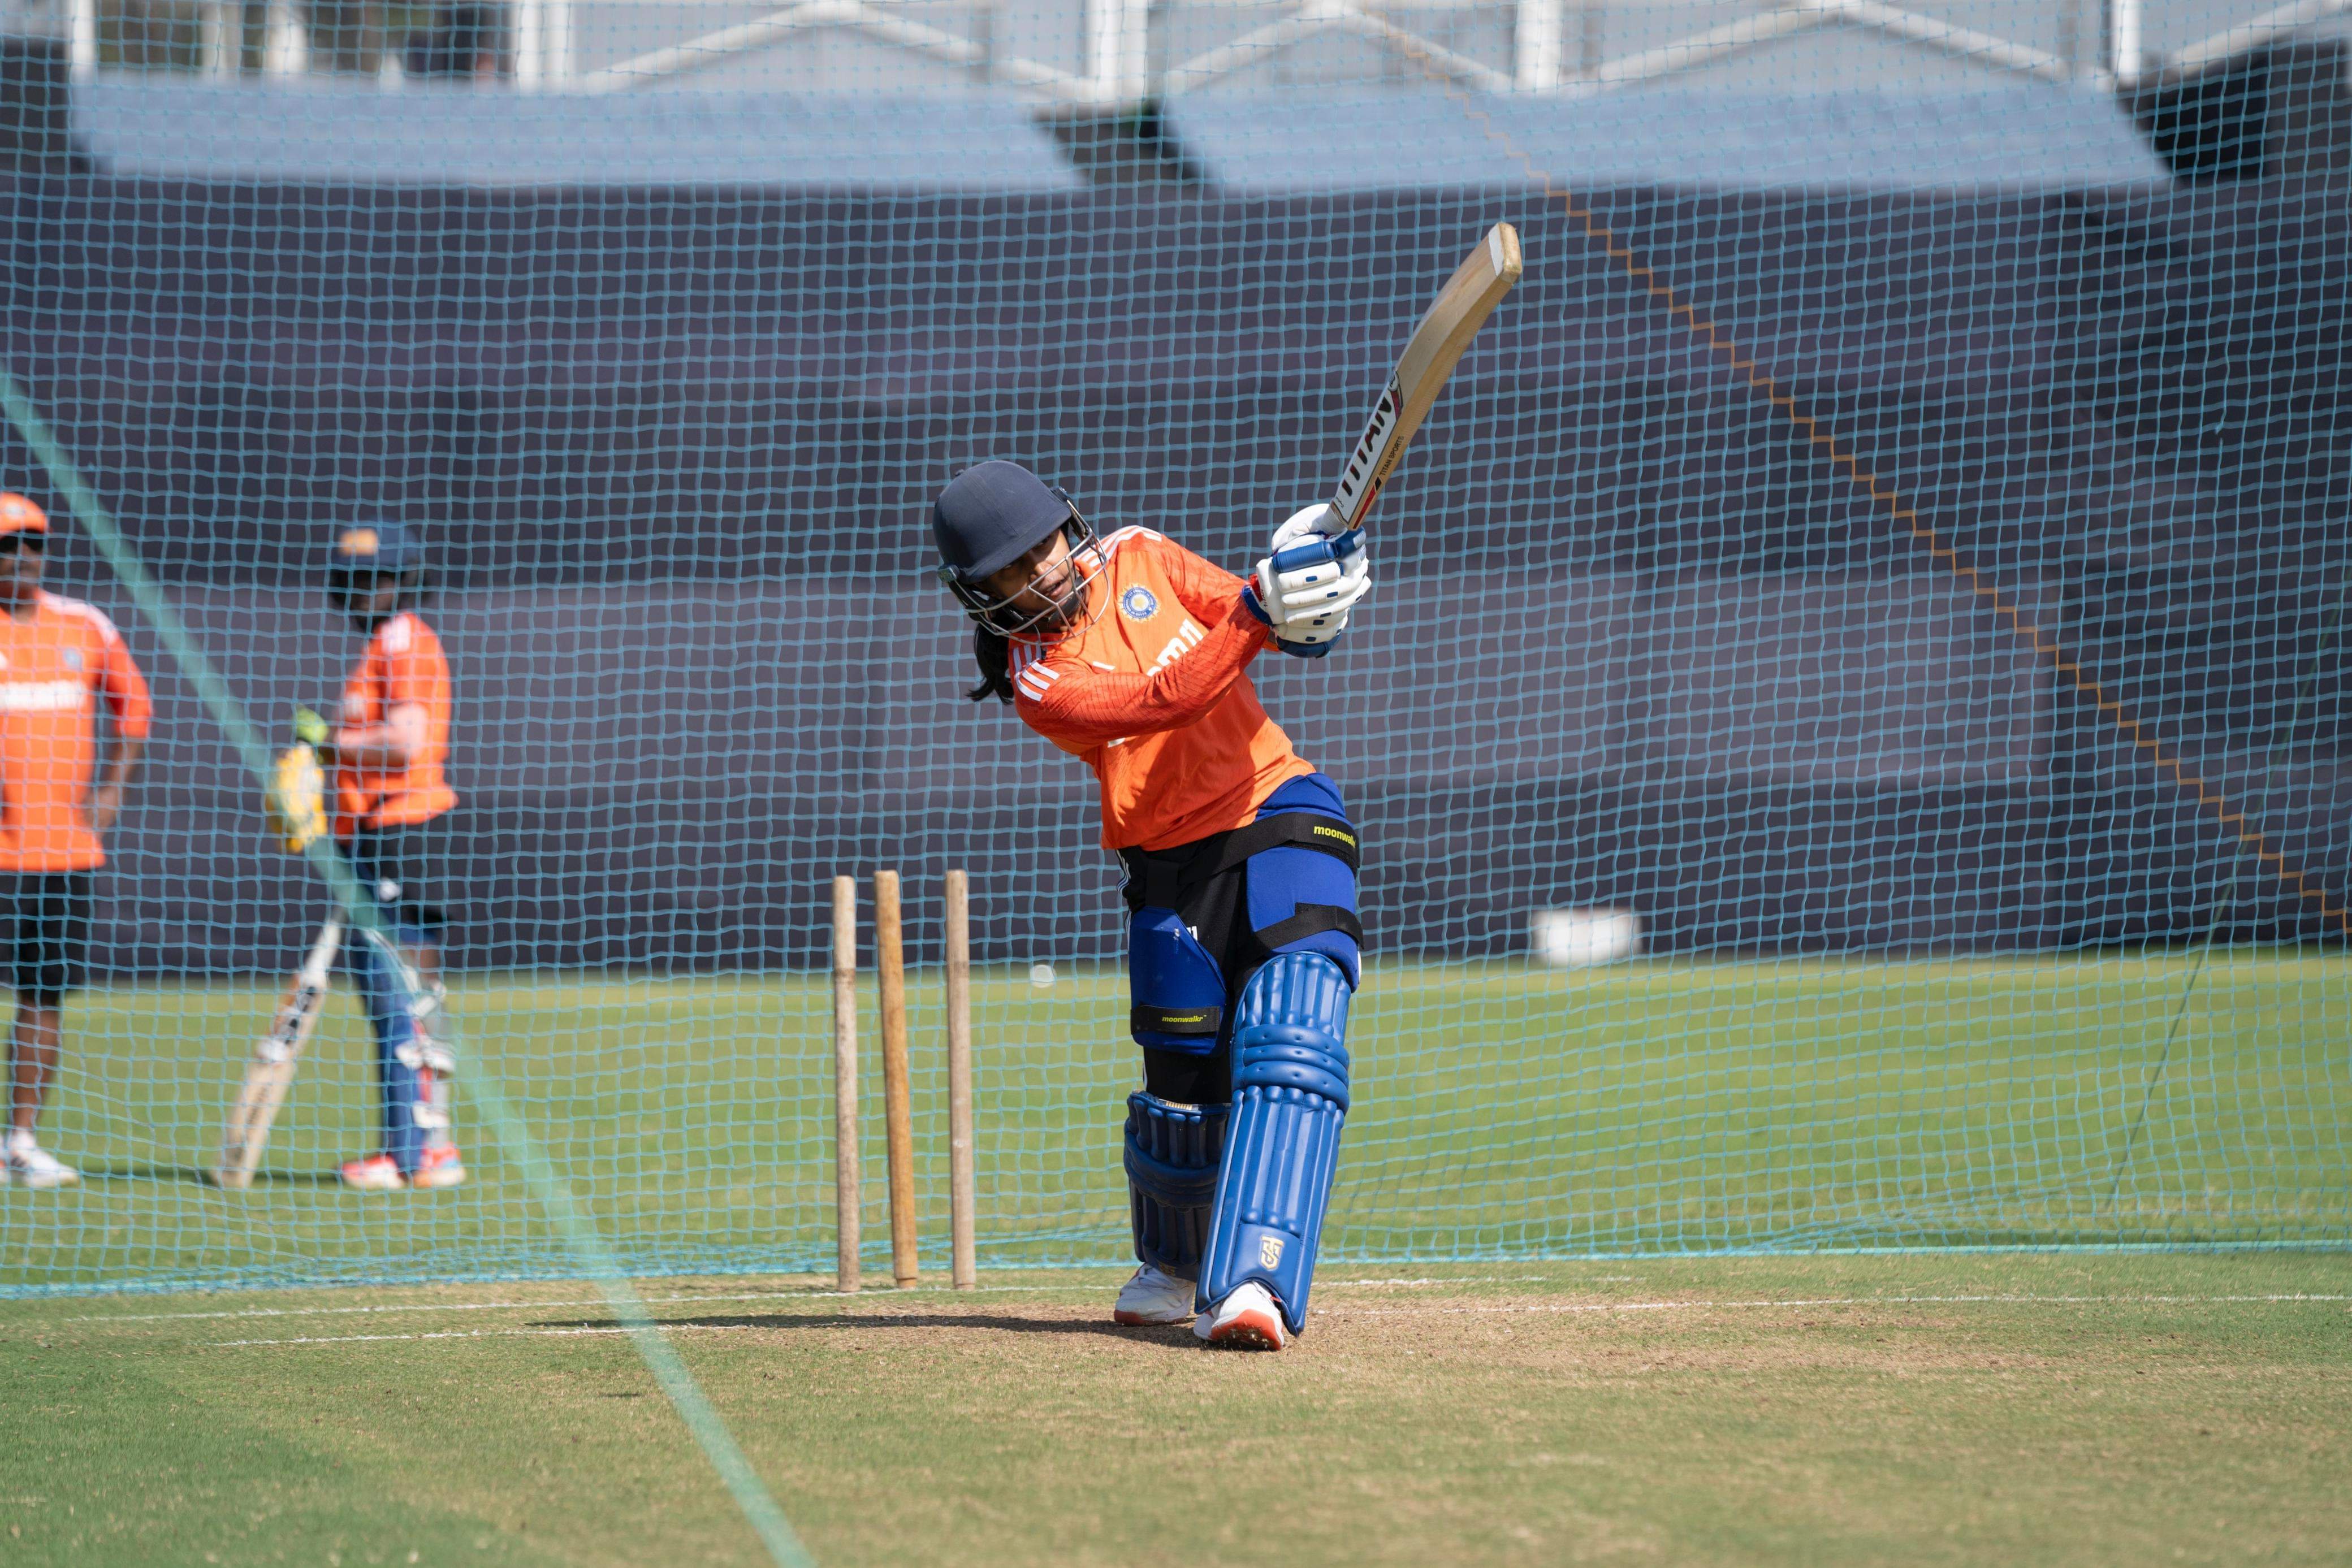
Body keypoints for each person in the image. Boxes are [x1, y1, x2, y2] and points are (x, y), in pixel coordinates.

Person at [934, 460, 1372, 1350]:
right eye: (1009, 573)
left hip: (1278, 803)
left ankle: (1255, 1277)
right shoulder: (1037, 680)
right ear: (982, 596)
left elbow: (1251, 618)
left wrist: (1308, 600)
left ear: (1069, 527)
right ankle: (1175, 1266)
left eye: (1042, 549)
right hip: (1169, 862)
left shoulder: (1141, 553)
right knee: (1183, 1092)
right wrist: (1261, 610)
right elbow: (1164, 697)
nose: (1038, 573)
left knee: (1294, 1022)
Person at [302, 522, 465, 1192]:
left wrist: (328, 744)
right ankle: (430, 1147)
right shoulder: (385, 642)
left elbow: (403, 743)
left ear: (405, 581)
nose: (364, 591)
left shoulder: (402, 640)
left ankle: (410, 1153)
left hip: (401, 828)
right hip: (385, 831)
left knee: (394, 991)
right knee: (409, 993)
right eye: (354, 580)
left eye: (379, 578)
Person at [0, 493, 150, 1188]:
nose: (21, 556)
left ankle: (20, 1142)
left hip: (64, 853)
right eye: (7, 545)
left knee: (44, 995)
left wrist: (111, 789)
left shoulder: (85, 624)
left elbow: (135, 708)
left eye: (32, 543)